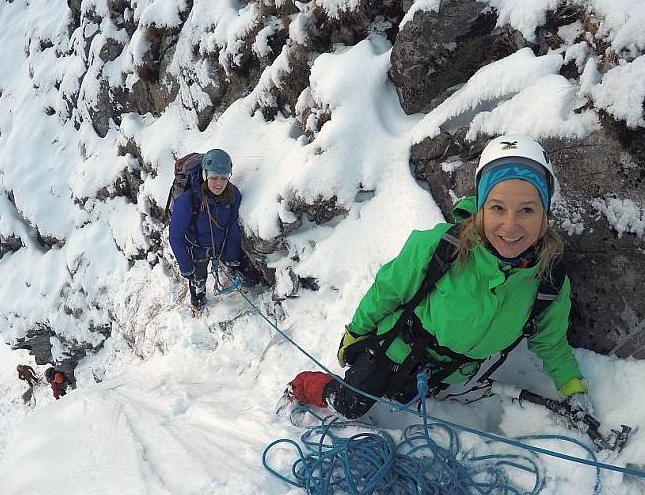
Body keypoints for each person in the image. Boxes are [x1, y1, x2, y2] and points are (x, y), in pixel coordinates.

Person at [286, 134, 592, 421]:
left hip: (449, 371)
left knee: (403, 397)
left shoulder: (548, 282)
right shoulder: (441, 247)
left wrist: (573, 387)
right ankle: (304, 385)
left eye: (527, 209)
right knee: (350, 404)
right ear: (482, 209)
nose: (510, 226)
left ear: (545, 214)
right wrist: (356, 332)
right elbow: (387, 291)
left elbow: (550, 343)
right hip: (396, 348)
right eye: (497, 207)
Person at [168, 149, 259, 314]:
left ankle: (238, 282)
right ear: (205, 175)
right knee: (198, 285)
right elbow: (175, 237)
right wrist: (187, 267)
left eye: (224, 178)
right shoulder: (187, 201)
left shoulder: (232, 195)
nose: (219, 183)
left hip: (221, 243)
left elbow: (232, 226)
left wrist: (232, 259)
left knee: (252, 279)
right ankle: (198, 304)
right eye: (214, 177)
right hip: (196, 248)